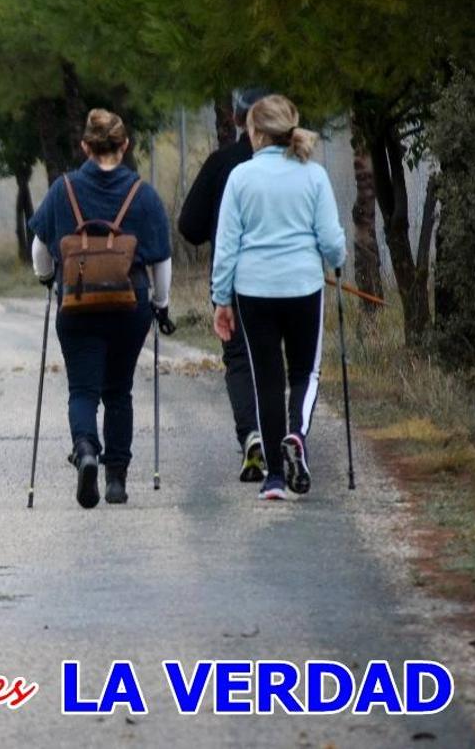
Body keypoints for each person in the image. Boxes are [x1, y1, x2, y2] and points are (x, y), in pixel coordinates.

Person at [30, 109, 173, 509]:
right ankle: (116, 481)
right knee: (119, 391)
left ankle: (87, 449)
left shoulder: (64, 189)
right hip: (130, 306)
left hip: (76, 304)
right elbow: (161, 260)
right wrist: (160, 304)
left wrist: (47, 279)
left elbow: (40, 249)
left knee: (82, 390)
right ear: (125, 145)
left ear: (85, 147)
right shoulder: (142, 194)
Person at [211, 94, 346, 501]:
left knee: (267, 380)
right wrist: (335, 260)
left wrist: (222, 299)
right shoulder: (314, 175)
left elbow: (227, 245)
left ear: (255, 132)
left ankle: (273, 480)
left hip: (254, 290)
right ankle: (296, 435)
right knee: (306, 372)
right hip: (303, 286)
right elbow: (331, 241)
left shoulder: (241, 177)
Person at [178, 88, 270, 483]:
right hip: (285, 278)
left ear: (237, 120)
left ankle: (251, 432)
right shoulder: (298, 164)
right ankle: (281, 435)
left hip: (232, 277)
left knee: (238, 358)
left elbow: (189, 227)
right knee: (275, 357)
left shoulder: (223, 164)